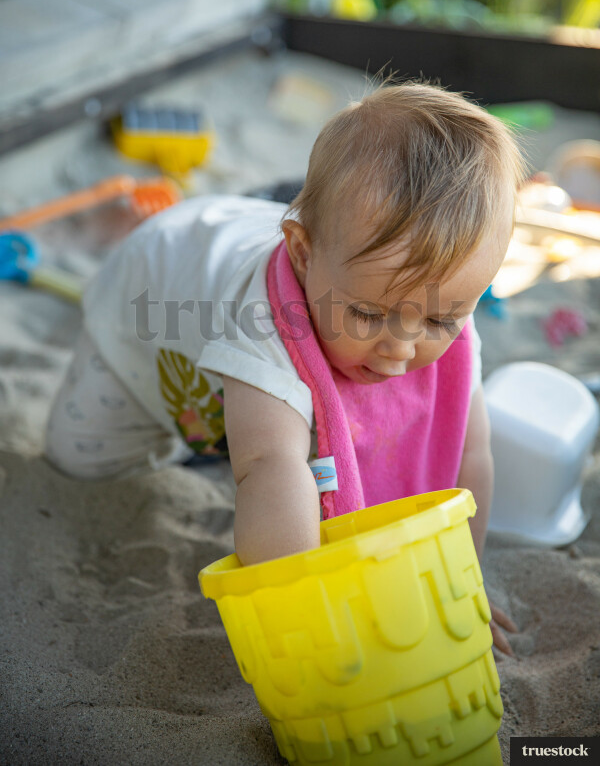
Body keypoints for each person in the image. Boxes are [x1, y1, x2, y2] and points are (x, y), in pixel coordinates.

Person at [45, 79, 523, 655]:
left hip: (272, 274)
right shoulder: (265, 326)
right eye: (369, 314)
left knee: (264, 424)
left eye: (441, 323)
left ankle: (238, 419)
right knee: (80, 455)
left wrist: (461, 581)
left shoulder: (434, 299)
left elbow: (469, 458)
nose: (401, 349)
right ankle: (218, 426)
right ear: (302, 253)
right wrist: (309, 619)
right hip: (153, 298)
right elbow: (270, 473)